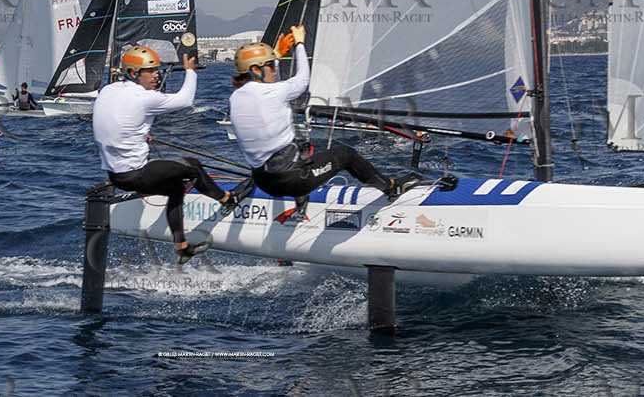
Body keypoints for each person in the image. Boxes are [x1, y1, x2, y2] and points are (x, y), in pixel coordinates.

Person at [229, 26, 416, 214]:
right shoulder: (275, 92)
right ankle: (392, 188)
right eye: (270, 65)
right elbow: (302, 79)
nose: (274, 70)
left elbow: (262, 87)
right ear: (255, 70)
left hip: (263, 182)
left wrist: (276, 54)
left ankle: (298, 201)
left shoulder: (236, 97)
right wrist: (300, 44)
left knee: (297, 149)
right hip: (291, 182)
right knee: (346, 154)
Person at [93, 45, 237, 263]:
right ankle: (227, 199)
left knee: (176, 188)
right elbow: (185, 100)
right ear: (133, 74)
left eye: (156, 70)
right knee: (193, 165)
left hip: (115, 175)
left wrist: (139, 132)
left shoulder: (109, 90)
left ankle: (182, 247)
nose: (156, 75)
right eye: (149, 71)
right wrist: (190, 71)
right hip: (136, 174)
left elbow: (117, 117)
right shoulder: (144, 98)